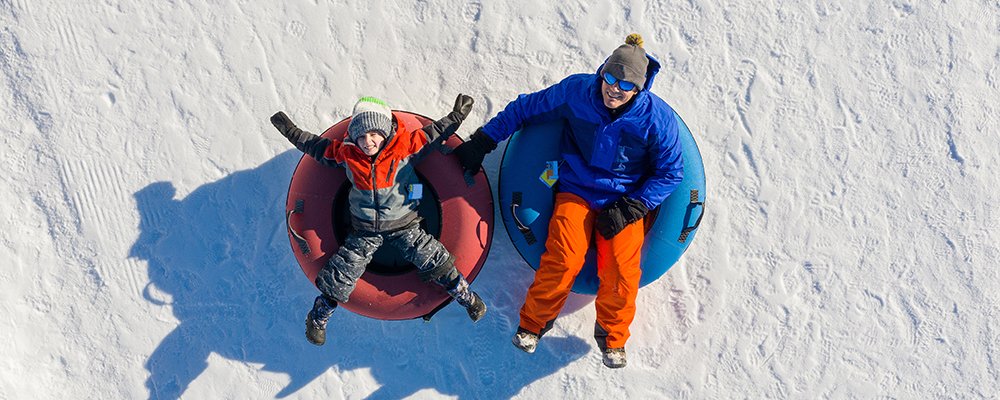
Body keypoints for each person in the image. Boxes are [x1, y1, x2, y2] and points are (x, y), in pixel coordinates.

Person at [453, 34, 684, 368]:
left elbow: (672, 172)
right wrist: (484, 140)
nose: (613, 89)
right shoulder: (578, 91)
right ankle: (533, 325)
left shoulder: (656, 119)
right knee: (564, 257)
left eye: (624, 85)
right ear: (602, 71)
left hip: (624, 199)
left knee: (621, 268)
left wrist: (633, 206)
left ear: (638, 89)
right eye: (609, 78)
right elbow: (526, 108)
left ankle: (613, 339)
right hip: (577, 190)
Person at [270, 95, 487, 346]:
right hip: (364, 230)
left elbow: (434, 134)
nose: (368, 141)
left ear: (385, 132)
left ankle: (466, 297)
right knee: (343, 271)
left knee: (433, 257)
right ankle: (318, 317)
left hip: (404, 224)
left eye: (374, 134)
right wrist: (290, 130)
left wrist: (457, 116)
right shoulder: (347, 154)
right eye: (361, 136)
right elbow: (315, 147)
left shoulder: (404, 148)